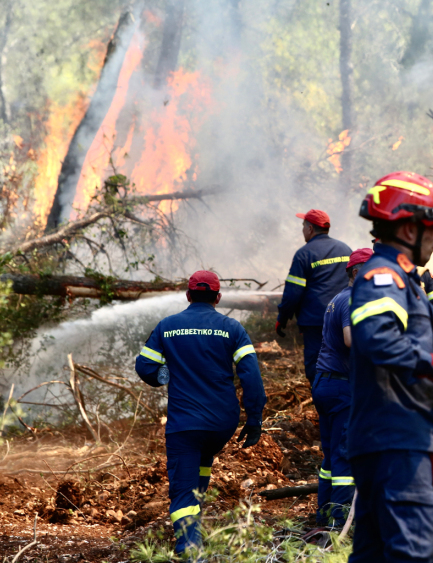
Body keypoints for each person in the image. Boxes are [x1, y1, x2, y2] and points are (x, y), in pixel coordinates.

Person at [347, 171, 433, 563]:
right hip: (397, 442)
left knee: (375, 556)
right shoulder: (383, 278)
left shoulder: (411, 284)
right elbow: (376, 339)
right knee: (417, 555)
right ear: (407, 227)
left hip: (394, 440)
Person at [135, 270, 267, 557]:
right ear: (218, 298)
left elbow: (145, 367)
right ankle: (195, 529)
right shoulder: (232, 328)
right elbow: (251, 376)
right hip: (222, 424)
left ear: (188, 295)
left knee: (183, 490)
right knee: (200, 467)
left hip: (185, 425)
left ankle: (190, 550)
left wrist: (166, 374)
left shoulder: (167, 326)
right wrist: (254, 418)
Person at [312, 247, 373, 528]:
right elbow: (351, 340)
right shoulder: (352, 300)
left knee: (330, 455)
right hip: (340, 388)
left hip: (326, 384)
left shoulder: (338, 299)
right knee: (344, 456)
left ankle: (323, 514)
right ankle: (338, 523)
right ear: (357, 272)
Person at [276, 209, 352, 384]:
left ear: (310, 229)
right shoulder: (346, 249)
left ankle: (324, 405)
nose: (302, 230)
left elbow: (293, 293)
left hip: (316, 322)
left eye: (303, 226)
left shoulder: (304, 254)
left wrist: (283, 318)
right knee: (346, 362)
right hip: (344, 319)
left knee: (318, 368)